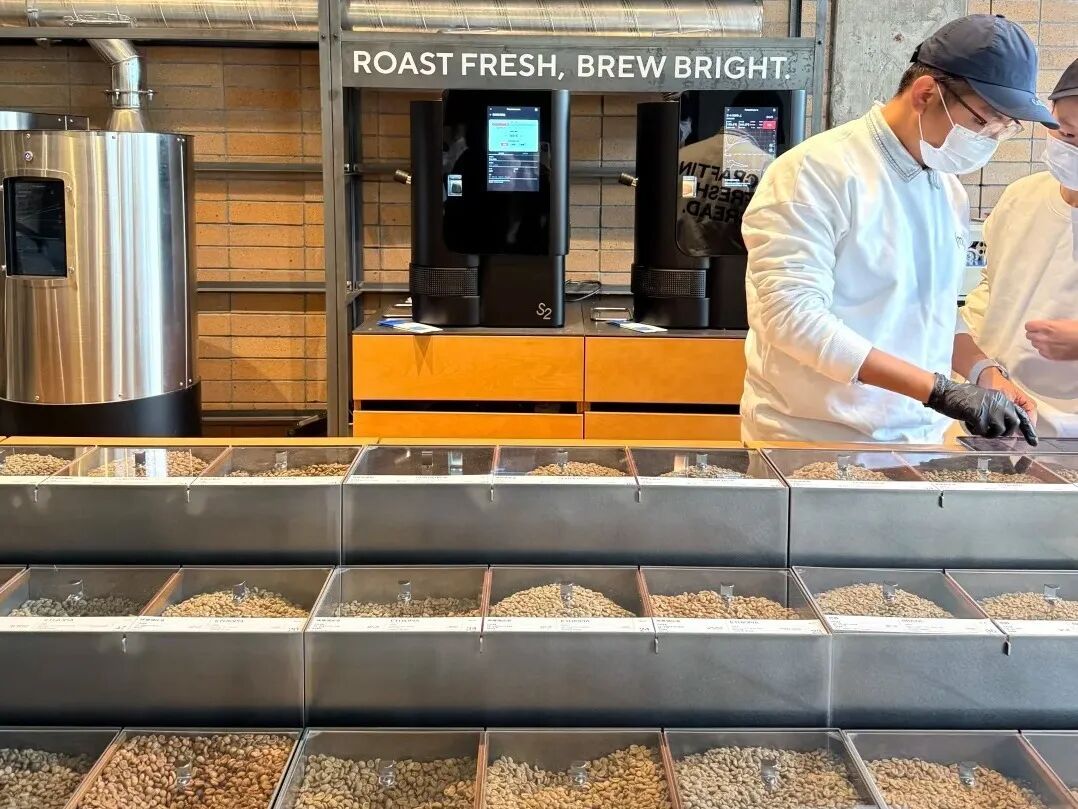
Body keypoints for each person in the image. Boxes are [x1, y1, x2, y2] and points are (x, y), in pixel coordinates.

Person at [740, 14, 1055, 445]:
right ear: (926, 94)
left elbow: (931, 311)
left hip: (919, 440)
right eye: (984, 121)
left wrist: (985, 373)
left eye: (1005, 128)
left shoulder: (947, 188)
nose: (990, 140)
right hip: (815, 438)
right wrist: (939, 391)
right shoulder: (815, 172)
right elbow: (793, 318)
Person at [957, 59, 1078, 438]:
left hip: (1066, 435)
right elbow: (990, 289)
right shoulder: (1022, 197)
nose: (1072, 148)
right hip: (990, 410)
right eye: (1067, 132)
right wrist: (976, 366)